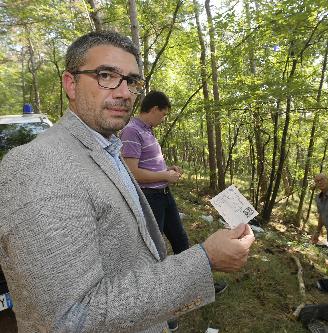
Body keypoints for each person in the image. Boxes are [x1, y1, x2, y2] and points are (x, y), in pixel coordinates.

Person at [0, 31, 254, 333]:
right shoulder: (38, 165)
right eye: (106, 75)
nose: (124, 93)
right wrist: (205, 259)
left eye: (132, 81)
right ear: (70, 83)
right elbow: (70, 320)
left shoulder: (105, 145)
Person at [120, 91, 227, 330]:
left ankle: (196, 285)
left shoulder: (148, 131)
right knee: (154, 251)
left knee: (180, 241)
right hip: (150, 198)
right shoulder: (131, 131)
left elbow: (149, 164)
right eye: (164, 115)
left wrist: (168, 170)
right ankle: (161, 310)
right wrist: (164, 176)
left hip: (165, 194)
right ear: (154, 109)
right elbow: (133, 172)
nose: (164, 119)